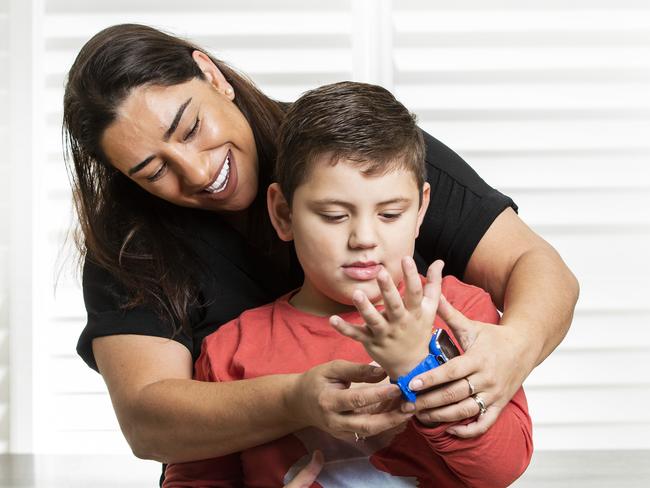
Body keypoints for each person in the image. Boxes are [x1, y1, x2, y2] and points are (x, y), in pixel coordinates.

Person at [63, 23, 575, 483]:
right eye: (153, 171)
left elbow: (534, 266)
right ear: (282, 213)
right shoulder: (139, 254)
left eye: (192, 128)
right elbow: (149, 421)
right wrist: (297, 401)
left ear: (211, 75)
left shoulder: (360, 152)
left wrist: (513, 347)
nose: (196, 173)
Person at [163, 81, 533, 488]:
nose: (363, 238)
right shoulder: (231, 350)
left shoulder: (465, 316)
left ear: (421, 208)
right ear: (283, 213)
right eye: (334, 216)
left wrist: (417, 369)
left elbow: (502, 468)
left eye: (390, 214)